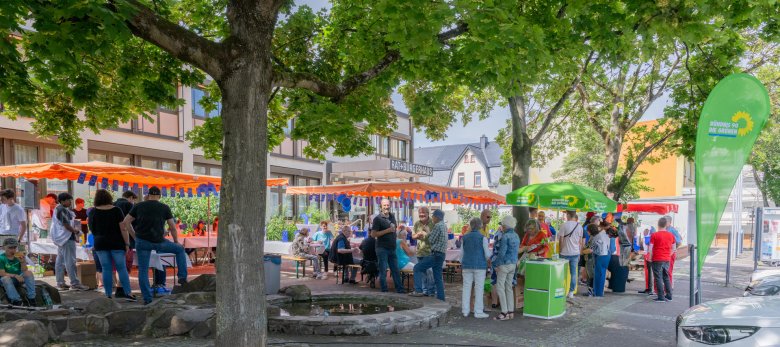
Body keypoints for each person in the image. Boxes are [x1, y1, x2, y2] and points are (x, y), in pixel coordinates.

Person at [122, 186, 188, 305]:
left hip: (142, 242)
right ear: (159, 196)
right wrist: (176, 240)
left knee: (143, 270)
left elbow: (126, 222)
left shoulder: (138, 206)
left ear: (148, 195)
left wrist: (134, 236)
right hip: (159, 241)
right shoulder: (164, 207)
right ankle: (182, 277)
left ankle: (147, 299)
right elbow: (172, 227)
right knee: (179, 249)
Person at [88, 189, 136, 301]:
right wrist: (127, 243)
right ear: (109, 198)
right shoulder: (116, 210)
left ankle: (108, 294)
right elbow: (123, 228)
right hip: (117, 243)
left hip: (100, 243)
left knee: (106, 269)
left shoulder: (93, 212)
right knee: (122, 268)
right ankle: (128, 292)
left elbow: (92, 229)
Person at [50, 193, 89, 291]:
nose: (70, 202)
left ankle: (60, 283)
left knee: (60, 261)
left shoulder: (59, 209)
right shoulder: (62, 209)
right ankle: (75, 283)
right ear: (62, 201)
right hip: (66, 238)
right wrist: (76, 231)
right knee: (70, 261)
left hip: (60, 238)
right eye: (68, 200)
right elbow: (66, 224)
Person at [410, 209, 446, 300]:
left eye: (433, 216)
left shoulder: (437, 225)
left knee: (417, 268)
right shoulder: (444, 225)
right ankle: (441, 299)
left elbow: (431, 240)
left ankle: (419, 290)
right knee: (437, 277)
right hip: (440, 254)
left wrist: (427, 232)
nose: (433, 218)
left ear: (436, 217)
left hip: (435, 254)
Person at [371, 199, 403, 293]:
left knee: (395, 270)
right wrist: (388, 230)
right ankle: (384, 290)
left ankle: (400, 290)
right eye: (384, 205)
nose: (386, 207)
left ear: (390, 205)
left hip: (392, 248)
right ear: (381, 207)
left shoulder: (392, 216)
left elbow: (394, 230)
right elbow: (373, 234)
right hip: (382, 248)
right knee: (383, 270)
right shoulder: (377, 219)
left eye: (388, 205)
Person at [461, 217, 490, 318]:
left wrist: (463, 262)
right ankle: (478, 311)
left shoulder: (464, 237)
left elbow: (461, 254)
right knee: (479, 288)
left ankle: (465, 310)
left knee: (466, 287)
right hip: (480, 266)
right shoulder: (483, 238)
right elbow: (487, 254)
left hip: (466, 265)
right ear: (480, 226)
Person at [493, 215, 519, 321]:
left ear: (504, 226)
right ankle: (510, 311)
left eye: (502, 225)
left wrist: (496, 264)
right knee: (509, 287)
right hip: (513, 264)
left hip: (504, 264)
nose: (501, 227)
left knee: (500, 287)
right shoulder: (516, 236)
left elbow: (502, 253)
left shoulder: (505, 236)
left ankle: (504, 312)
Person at [0, 238, 36, 306]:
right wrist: (15, 275)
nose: (13, 250)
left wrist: (23, 262)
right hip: (6, 280)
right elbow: (2, 273)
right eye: (10, 248)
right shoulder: (1, 258)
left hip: (18, 278)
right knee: (5, 278)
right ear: (4, 247)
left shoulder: (18, 256)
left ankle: (31, 298)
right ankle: (16, 300)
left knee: (29, 273)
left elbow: (24, 270)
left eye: (14, 247)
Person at [649, 217, 676, 302]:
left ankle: (661, 297)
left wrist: (650, 257)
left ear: (658, 224)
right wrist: (668, 255)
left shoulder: (654, 235)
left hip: (657, 258)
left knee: (658, 277)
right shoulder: (671, 235)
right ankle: (669, 295)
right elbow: (674, 248)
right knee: (666, 277)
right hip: (667, 259)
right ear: (666, 225)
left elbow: (650, 248)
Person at [557, 211, 583, 298]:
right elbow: (580, 242)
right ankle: (571, 292)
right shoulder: (579, 226)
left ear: (568, 215)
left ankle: (561, 289)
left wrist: (560, 250)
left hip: (564, 253)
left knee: (561, 273)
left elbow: (561, 240)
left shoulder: (564, 225)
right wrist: (579, 253)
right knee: (573, 274)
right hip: (575, 253)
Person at [412, 207, 436, 296]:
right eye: (420, 213)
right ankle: (425, 291)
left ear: (428, 213)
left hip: (429, 252)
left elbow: (434, 237)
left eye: (423, 213)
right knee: (422, 273)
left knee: (430, 273)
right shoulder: (417, 223)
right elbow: (413, 236)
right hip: (420, 251)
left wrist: (427, 234)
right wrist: (418, 234)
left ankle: (431, 291)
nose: (421, 214)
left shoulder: (433, 223)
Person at [582, 224, 609, 297]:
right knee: (602, 275)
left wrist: (581, 252)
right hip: (606, 256)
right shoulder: (603, 234)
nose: (587, 232)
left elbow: (590, 250)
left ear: (590, 231)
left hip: (599, 257)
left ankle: (596, 293)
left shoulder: (595, 238)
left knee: (597, 275)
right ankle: (599, 293)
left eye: (588, 231)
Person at [606, 221, 629, 293]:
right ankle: (614, 286)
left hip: (614, 258)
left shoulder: (612, 238)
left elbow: (611, 250)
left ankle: (613, 285)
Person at [664, 215, 682, 288]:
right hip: (667, 252)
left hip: (671, 253)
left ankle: (670, 286)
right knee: (666, 270)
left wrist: (673, 248)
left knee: (669, 270)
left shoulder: (672, 230)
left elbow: (679, 240)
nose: (664, 223)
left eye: (665, 221)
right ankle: (668, 286)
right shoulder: (666, 229)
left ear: (669, 222)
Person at [638, 226, 656, 295]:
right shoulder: (647, 238)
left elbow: (649, 249)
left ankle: (650, 289)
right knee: (647, 273)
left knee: (649, 273)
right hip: (647, 255)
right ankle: (648, 288)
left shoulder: (649, 238)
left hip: (649, 256)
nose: (644, 233)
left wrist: (642, 252)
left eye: (645, 232)